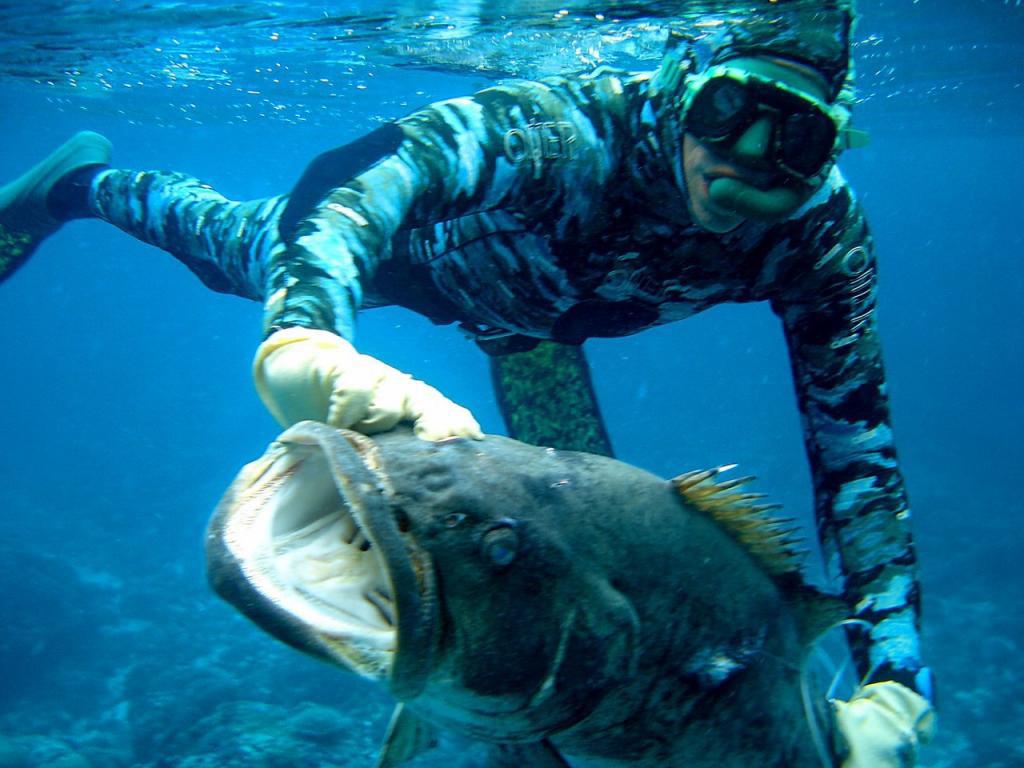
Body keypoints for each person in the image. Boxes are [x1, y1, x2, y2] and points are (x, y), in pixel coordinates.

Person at [0, 3, 935, 764]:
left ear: (831, 150)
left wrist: (894, 678)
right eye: (729, 111)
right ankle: (78, 186)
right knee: (238, 244)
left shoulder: (820, 239)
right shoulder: (565, 133)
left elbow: (858, 449)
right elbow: (353, 181)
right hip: (422, 262)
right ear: (683, 85)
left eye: (798, 140)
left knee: (570, 557)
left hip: (538, 330)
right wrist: (305, 340)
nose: (745, 157)